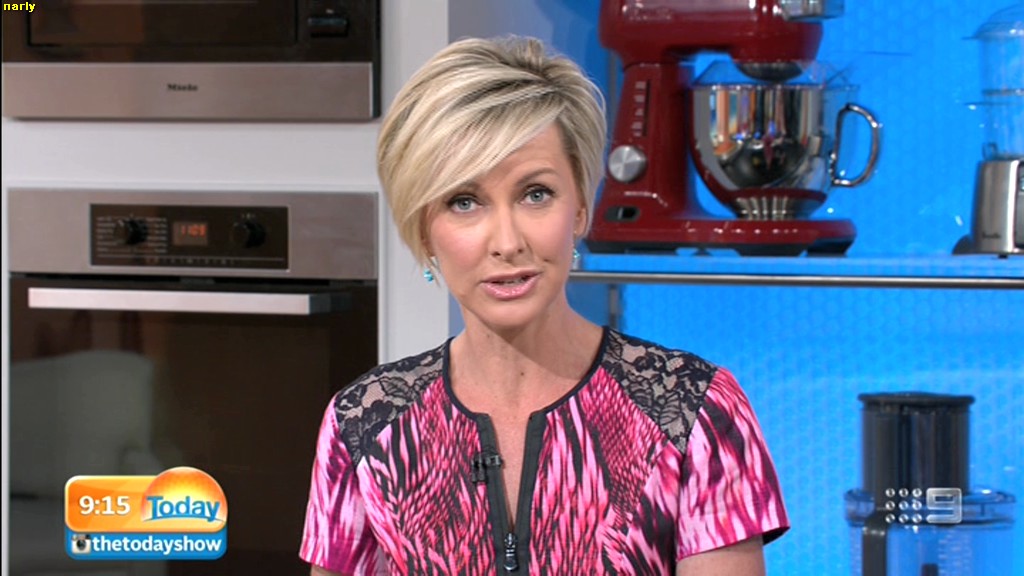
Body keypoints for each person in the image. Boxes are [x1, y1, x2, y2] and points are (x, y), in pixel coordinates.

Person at [299, 36, 789, 575]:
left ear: (579, 206)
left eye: (536, 194)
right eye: (464, 202)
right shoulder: (363, 422)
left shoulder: (694, 408)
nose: (507, 242)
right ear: (423, 229)